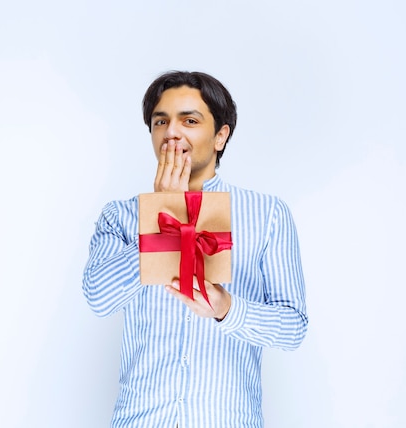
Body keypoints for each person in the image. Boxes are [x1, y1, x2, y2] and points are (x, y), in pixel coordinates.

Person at [83, 71, 308, 428]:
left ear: (221, 136)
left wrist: (226, 307)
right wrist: (160, 217)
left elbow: (293, 327)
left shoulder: (267, 215)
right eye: (161, 121)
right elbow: (98, 298)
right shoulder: (121, 216)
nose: (172, 132)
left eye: (189, 120)